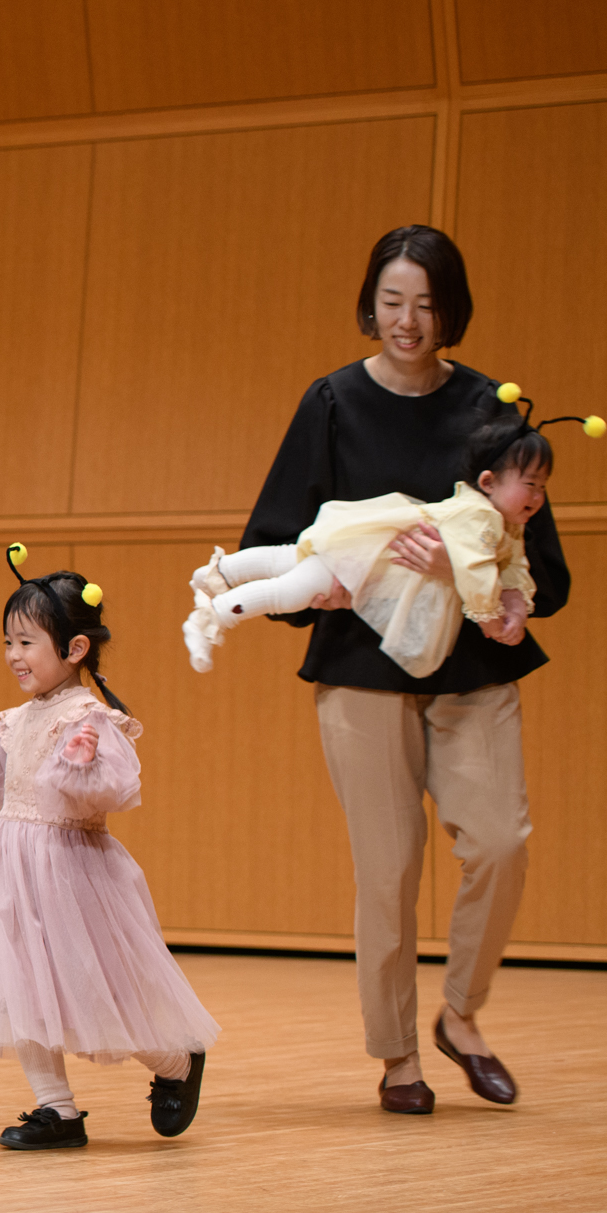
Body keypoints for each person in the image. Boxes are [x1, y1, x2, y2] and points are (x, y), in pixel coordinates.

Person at [239, 225, 568, 1114]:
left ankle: (460, 1015)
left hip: (473, 666)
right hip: (361, 668)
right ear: (370, 303)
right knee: (387, 872)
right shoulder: (332, 401)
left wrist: (481, 583)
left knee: (500, 842)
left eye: (424, 303)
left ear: (450, 308)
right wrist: (345, 579)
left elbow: (538, 554)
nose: (407, 320)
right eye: (392, 301)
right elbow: (272, 538)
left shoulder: (491, 407)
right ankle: (397, 1059)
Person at [0, 554, 219, 1150]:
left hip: (72, 872)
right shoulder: (18, 719)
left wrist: (82, 763)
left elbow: (111, 789)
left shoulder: (88, 717)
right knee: (20, 985)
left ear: (74, 649)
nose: (13, 655)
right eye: (8, 642)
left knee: (96, 987)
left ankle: (176, 1061)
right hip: (15, 868)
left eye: (26, 642)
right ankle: (57, 1111)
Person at [184, 395, 598, 676]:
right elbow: (474, 572)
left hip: (361, 551)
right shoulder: (480, 517)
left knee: (291, 558)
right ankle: (211, 618)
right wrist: (491, 619)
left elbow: (514, 571)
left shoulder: (508, 526)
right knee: (292, 590)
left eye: (543, 486)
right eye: (530, 485)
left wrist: (516, 606)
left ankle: (220, 572)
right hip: (365, 562)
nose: (538, 497)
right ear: (488, 481)